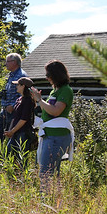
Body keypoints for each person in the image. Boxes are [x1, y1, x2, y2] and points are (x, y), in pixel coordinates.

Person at [30, 60, 74, 194]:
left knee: (46, 172)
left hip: (57, 137)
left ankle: (46, 202)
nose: (46, 77)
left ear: (56, 75)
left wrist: (39, 100)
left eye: (48, 74)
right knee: (51, 171)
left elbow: (55, 111)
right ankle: (53, 201)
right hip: (50, 135)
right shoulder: (56, 91)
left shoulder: (66, 91)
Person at [0, 53, 28, 142]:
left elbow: (24, 93)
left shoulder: (21, 75)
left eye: (8, 61)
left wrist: (13, 105)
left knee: (11, 137)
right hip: (5, 110)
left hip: (14, 112)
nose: (6, 64)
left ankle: (9, 154)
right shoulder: (10, 75)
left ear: (15, 62)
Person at [4, 77, 35, 166]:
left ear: (23, 86)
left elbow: (23, 119)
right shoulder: (19, 99)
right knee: (8, 153)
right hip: (15, 132)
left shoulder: (28, 100)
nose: (16, 86)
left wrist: (12, 131)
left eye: (18, 85)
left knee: (21, 157)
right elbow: (15, 117)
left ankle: (22, 176)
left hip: (23, 133)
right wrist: (10, 131)